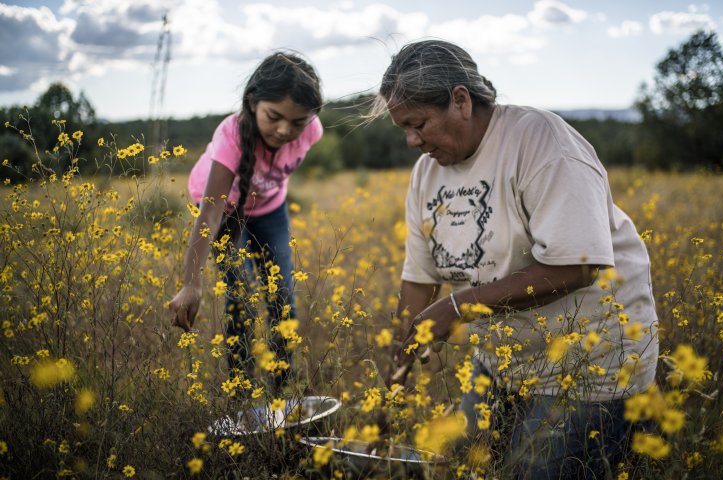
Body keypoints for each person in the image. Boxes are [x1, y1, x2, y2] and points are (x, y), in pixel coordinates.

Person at [376, 40, 659, 479]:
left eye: (419, 124)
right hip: (503, 361)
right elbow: (419, 280)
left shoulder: (540, 141)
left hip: (588, 365)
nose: (412, 141)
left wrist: (458, 306)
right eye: (404, 129)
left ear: (461, 100)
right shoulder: (427, 174)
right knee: (454, 466)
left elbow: (578, 264)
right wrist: (392, 386)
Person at [169, 52, 323, 391]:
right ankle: (240, 393)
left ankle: (281, 394)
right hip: (223, 211)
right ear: (253, 103)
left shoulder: (312, 131)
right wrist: (191, 283)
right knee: (240, 296)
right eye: (274, 117)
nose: (285, 130)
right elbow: (209, 213)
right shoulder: (232, 136)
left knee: (283, 297)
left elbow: (275, 168)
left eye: (297, 122)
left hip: (270, 209)